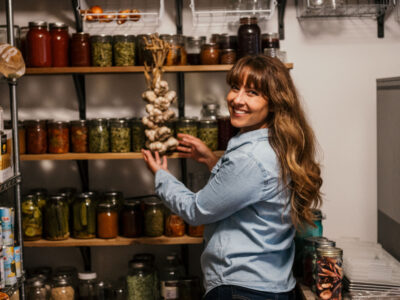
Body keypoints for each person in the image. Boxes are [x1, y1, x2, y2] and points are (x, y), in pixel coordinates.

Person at [142, 55, 323, 300]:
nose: (237, 99)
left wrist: (162, 176)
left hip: (243, 290)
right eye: (235, 88)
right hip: (269, 284)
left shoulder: (250, 157)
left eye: (252, 93)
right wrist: (210, 160)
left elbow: (196, 210)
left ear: (275, 102)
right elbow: (254, 191)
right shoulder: (276, 144)